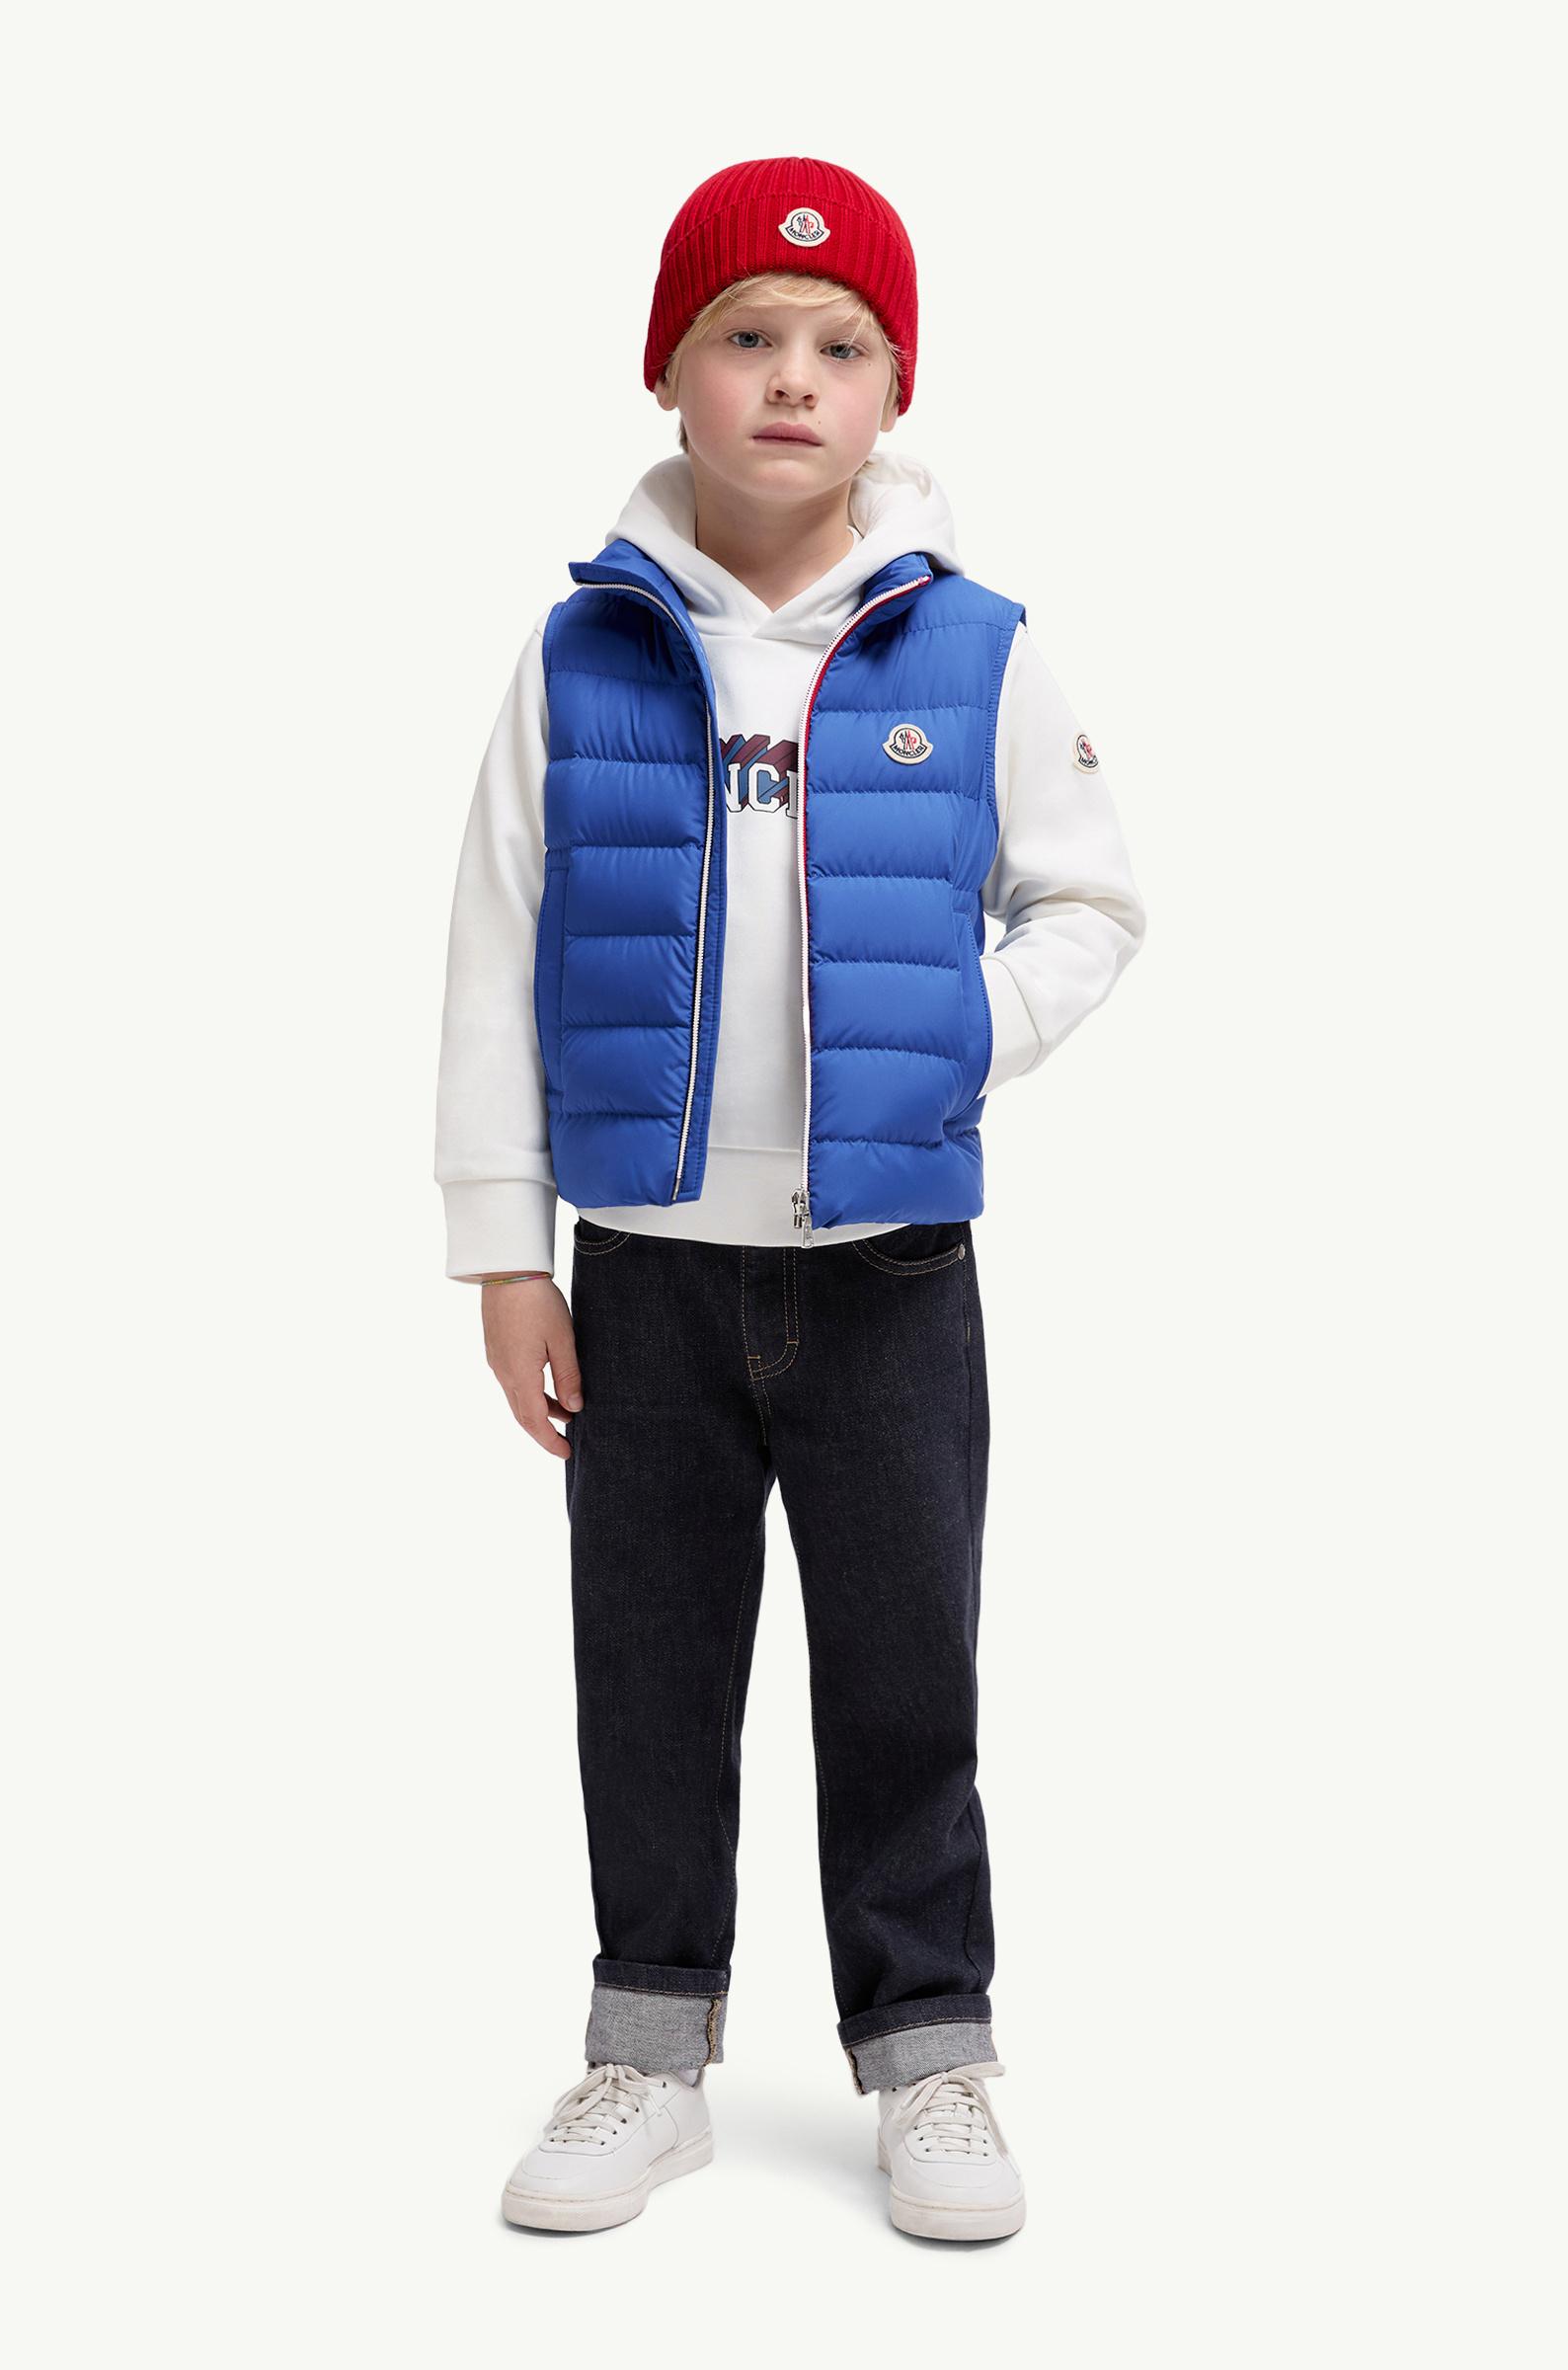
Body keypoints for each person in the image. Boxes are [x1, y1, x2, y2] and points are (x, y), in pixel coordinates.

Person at [434, 155, 1146, 2242]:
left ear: (893, 389)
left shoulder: (975, 647)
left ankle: (929, 2057)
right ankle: (647, 2054)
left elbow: (1093, 903)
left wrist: (961, 1039)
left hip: (890, 1272)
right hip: (645, 1273)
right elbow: (492, 950)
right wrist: (503, 1250)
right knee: (647, 1667)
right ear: (668, 369)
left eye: (839, 345)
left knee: (904, 1670)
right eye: (744, 334)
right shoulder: (582, 652)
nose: (789, 378)